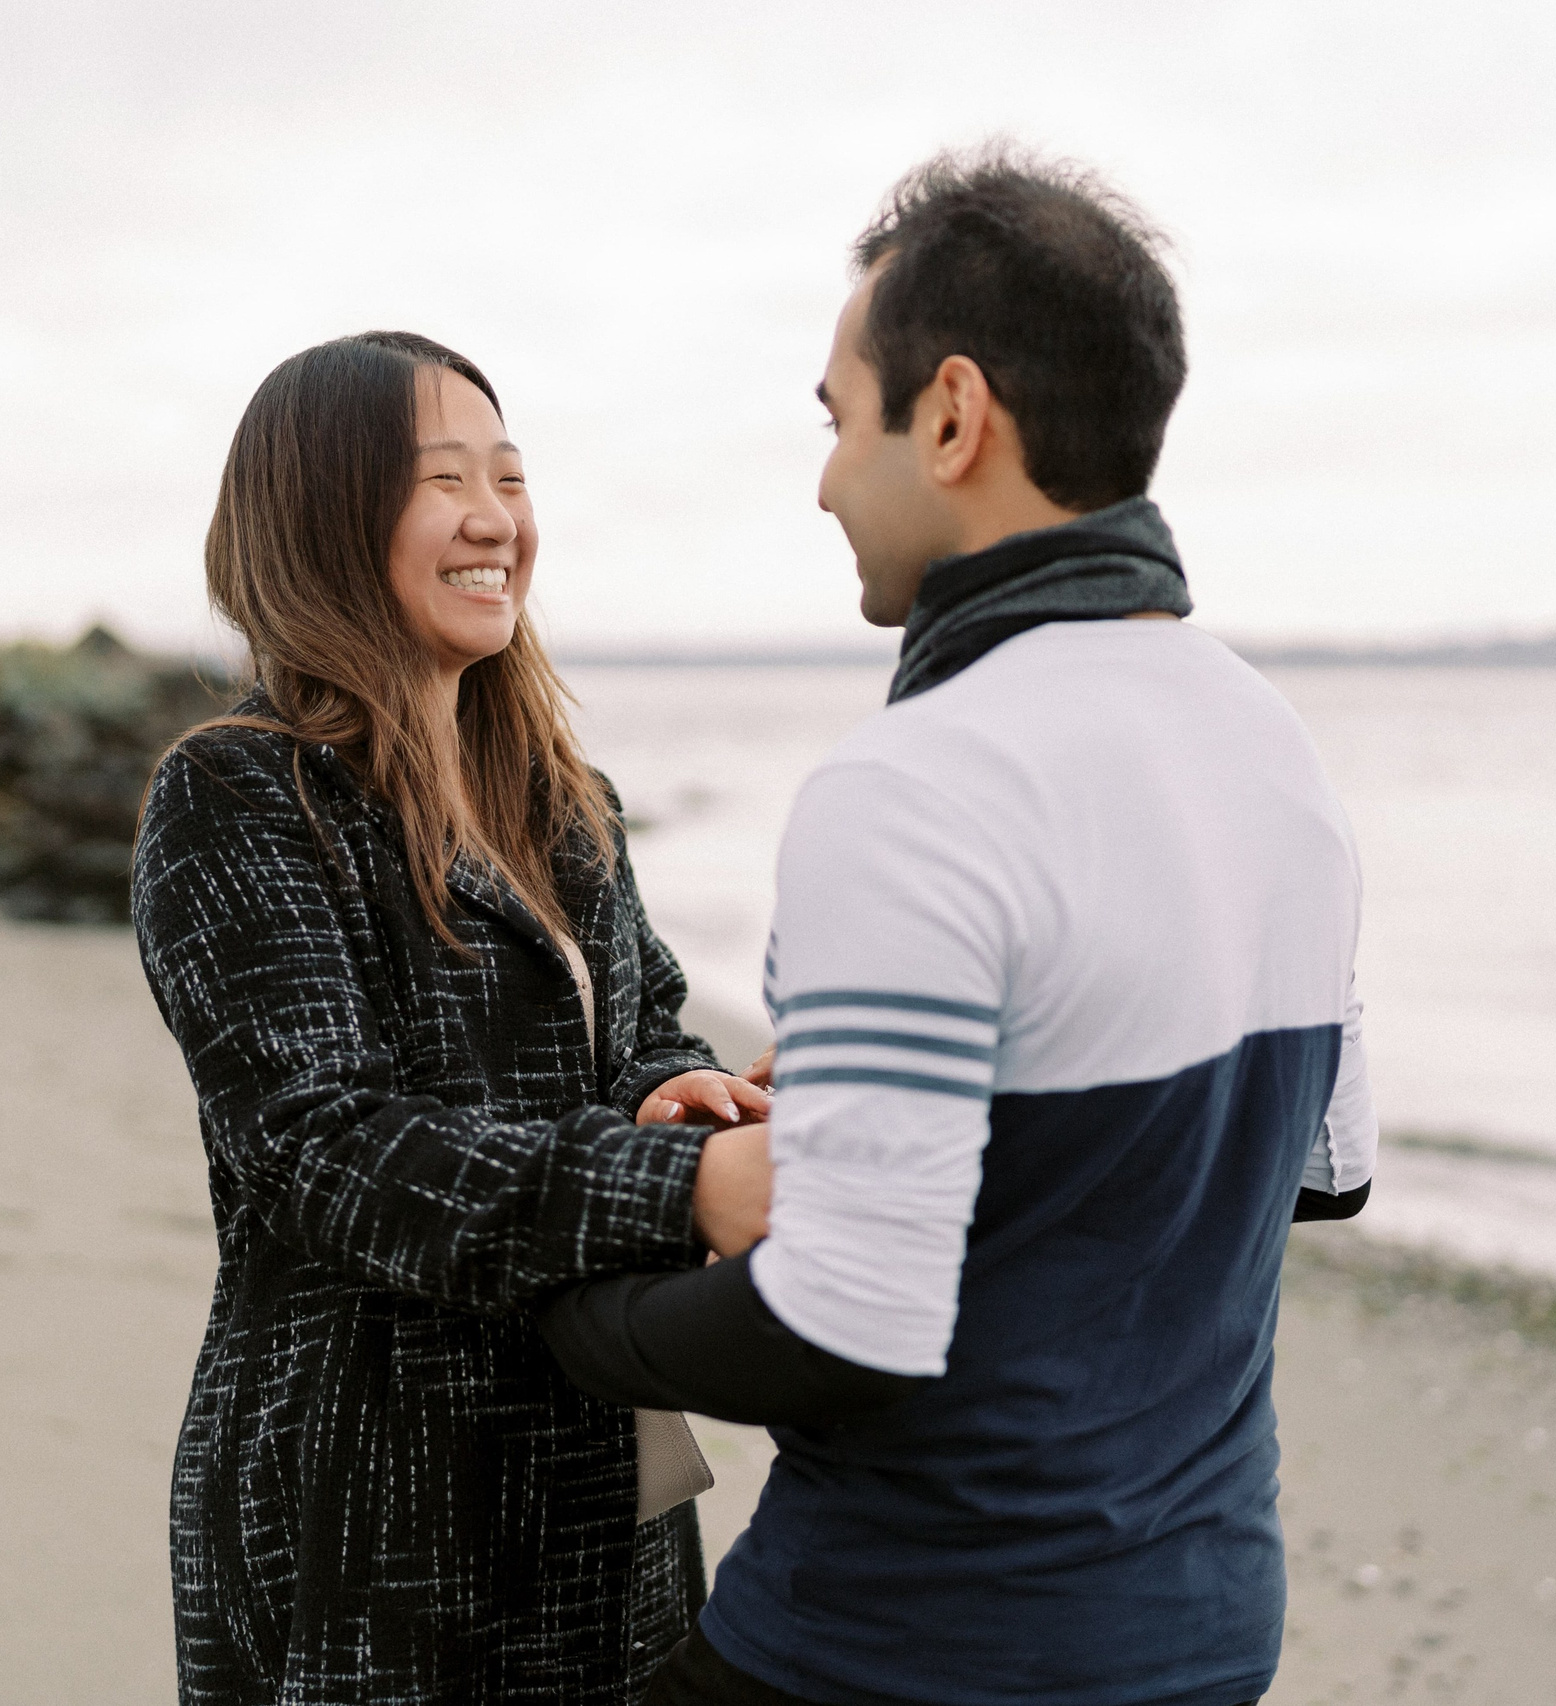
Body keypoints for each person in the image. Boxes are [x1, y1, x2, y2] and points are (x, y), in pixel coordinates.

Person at [539, 150, 1377, 1706]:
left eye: (839, 416)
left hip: (912, 1645)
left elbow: (844, 1326)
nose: (824, 479)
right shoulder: (1278, 752)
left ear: (951, 416)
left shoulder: (916, 788)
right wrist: (896, 1101)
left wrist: (579, 1318)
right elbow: (1319, 1174)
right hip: (1201, 1631)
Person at [131, 330, 775, 1706]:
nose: (498, 518)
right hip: (372, 1511)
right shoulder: (238, 800)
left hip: (607, 1471)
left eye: (512, 475)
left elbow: (650, 1015)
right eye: (444, 481)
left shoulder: (563, 793)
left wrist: (684, 1093)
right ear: (321, 517)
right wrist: (684, 1182)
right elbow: (330, 1151)